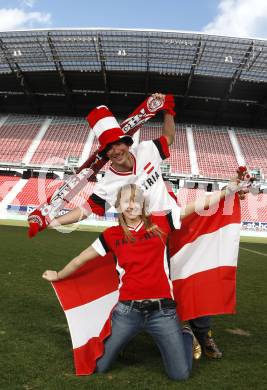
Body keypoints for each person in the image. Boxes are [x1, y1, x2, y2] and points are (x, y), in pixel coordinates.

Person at [41, 93, 245, 359]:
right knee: (157, 281)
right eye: (109, 148)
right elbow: (86, 210)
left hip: (175, 220)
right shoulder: (108, 182)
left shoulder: (147, 149)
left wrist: (168, 112)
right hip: (144, 237)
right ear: (104, 154)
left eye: (119, 144)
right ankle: (174, 328)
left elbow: (169, 138)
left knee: (193, 270)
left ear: (127, 143)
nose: (116, 150)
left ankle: (202, 332)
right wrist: (53, 220)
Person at [43, 184, 194, 380]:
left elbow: (197, 206)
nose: (131, 205)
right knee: (100, 366)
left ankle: (186, 334)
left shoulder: (161, 223)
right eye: (126, 201)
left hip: (162, 312)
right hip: (127, 312)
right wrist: (59, 274)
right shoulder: (111, 235)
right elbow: (82, 258)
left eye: (136, 200)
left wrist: (229, 189)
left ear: (143, 205)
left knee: (179, 375)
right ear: (118, 205)